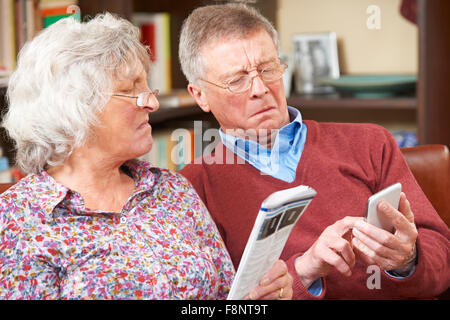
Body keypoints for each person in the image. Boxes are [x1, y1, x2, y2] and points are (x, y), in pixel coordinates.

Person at [0, 13, 292, 300]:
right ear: (75, 109)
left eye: (146, 87)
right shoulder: (17, 221)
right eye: (131, 91)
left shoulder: (173, 190)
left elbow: (226, 297)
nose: (152, 102)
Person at [178, 3, 450, 299]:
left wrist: (408, 261)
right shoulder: (192, 187)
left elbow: (443, 260)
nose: (260, 89)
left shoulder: (372, 143)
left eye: (268, 68)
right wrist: (304, 271)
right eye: (237, 80)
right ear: (200, 95)